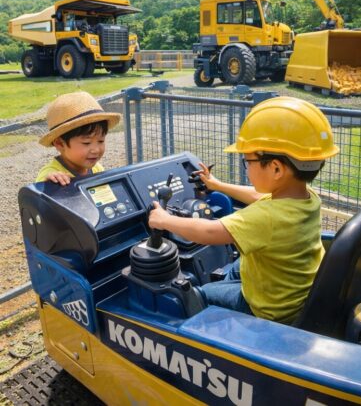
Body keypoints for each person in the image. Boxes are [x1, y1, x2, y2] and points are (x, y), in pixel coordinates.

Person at [148, 96, 338, 324]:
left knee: (203, 292)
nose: (246, 167)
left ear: (276, 169)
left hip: (269, 309)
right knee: (238, 266)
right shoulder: (306, 197)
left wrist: (164, 219)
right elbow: (259, 196)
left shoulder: (265, 217)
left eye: (247, 161)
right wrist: (217, 185)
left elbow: (209, 232)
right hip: (292, 292)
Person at [37, 91, 121, 185]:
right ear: (60, 143)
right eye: (86, 143)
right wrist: (49, 183)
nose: (96, 150)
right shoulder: (53, 174)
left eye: (101, 141)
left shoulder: (97, 169)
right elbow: (39, 193)